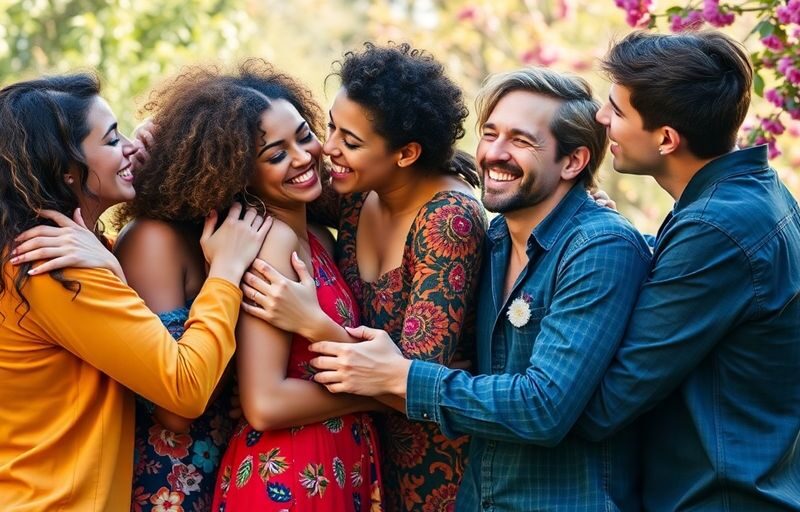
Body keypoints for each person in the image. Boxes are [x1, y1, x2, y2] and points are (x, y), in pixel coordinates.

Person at [254, 67, 653, 511]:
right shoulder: (498, 239)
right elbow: (271, 180)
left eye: (520, 140)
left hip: (540, 493)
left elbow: (542, 406)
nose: (493, 153)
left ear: (573, 162)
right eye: (490, 133)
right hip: (443, 484)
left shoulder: (592, 246)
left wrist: (384, 366)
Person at [0, 74, 269, 510]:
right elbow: (186, 387)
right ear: (67, 171)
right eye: (111, 140)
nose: (129, 145)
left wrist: (143, 180)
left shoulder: (47, 252)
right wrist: (225, 272)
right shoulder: (57, 268)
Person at [242, 43, 486, 512]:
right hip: (357, 453)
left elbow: (409, 384)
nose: (326, 149)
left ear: (407, 153)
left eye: (350, 142)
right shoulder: (355, 193)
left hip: (434, 471)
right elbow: (257, 179)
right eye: (331, 126)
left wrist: (312, 322)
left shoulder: (448, 222)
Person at [572, 30, 800, 510]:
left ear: (666, 139)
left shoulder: (716, 226)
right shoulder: (754, 191)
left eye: (617, 109)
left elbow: (610, 402)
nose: (601, 118)